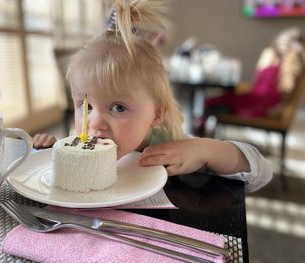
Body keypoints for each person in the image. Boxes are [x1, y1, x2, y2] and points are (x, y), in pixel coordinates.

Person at [33, 0, 272, 193]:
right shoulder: (84, 139)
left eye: (118, 107)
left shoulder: (169, 146)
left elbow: (261, 172)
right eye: (85, 107)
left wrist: (203, 150)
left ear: (156, 114)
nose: (94, 123)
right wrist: (52, 150)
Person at [196, 27, 305, 136]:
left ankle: (200, 134)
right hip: (266, 106)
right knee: (220, 103)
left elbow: (257, 82)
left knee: (210, 102)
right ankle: (209, 130)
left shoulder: (271, 59)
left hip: (254, 102)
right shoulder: (294, 69)